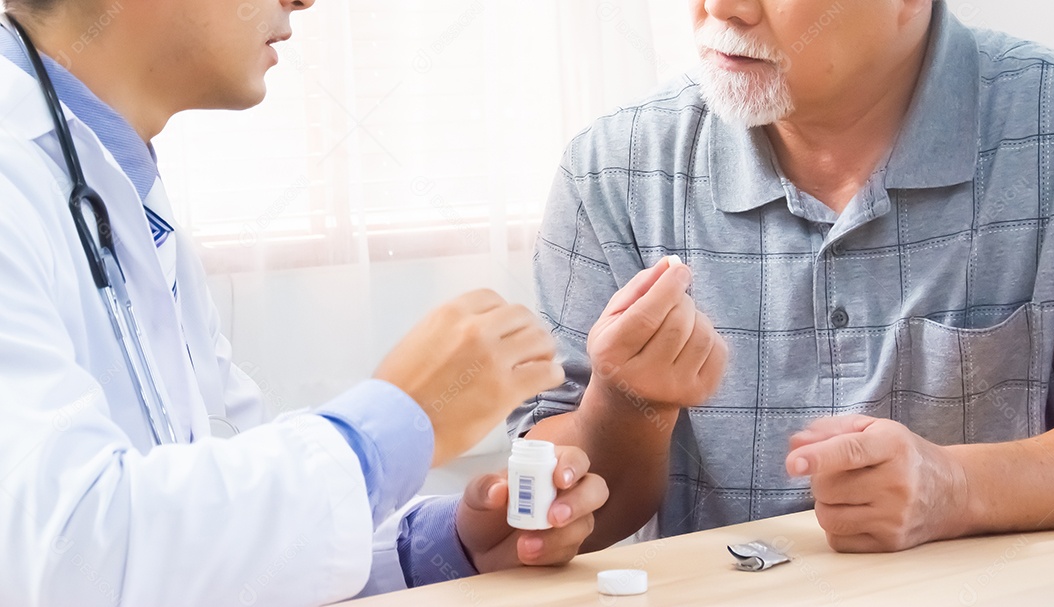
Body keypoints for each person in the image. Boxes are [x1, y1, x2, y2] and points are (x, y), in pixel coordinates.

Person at [0, 0, 608, 605]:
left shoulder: (121, 191)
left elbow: (221, 527)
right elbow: (69, 553)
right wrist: (395, 423)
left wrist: (443, 547)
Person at [512, 0, 1054, 555]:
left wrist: (956, 486)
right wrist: (625, 404)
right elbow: (545, 505)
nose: (721, 8)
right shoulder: (612, 170)